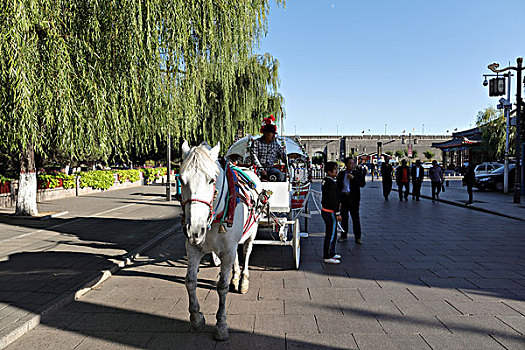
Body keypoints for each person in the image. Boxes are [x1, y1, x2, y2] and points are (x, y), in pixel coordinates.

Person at [336, 157, 366, 244]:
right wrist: (339, 200)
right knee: (344, 218)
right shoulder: (341, 174)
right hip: (344, 198)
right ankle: (343, 235)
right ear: (346, 165)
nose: (352, 165)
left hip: (354, 199)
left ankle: (358, 237)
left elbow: (362, 184)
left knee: (355, 218)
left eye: (353, 163)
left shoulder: (357, 173)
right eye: (350, 163)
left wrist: (353, 178)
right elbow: (338, 187)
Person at [251, 115, 285, 181]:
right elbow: (254, 157)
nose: (274, 135)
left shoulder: (276, 145)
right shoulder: (256, 143)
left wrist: (289, 162)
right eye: (272, 133)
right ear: (265, 133)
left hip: (270, 169)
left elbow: (282, 155)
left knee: (280, 175)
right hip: (257, 169)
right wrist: (261, 170)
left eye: (274, 133)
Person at [321, 162, 342, 264]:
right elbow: (333, 200)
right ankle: (327, 255)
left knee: (332, 232)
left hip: (326, 210)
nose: (336, 171)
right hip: (330, 212)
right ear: (329, 171)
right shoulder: (331, 183)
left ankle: (332, 252)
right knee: (331, 233)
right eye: (334, 169)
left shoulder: (326, 181)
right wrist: (337, 213)